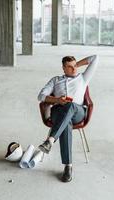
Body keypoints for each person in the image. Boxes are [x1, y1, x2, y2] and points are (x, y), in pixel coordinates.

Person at [37, 54, 98, 182]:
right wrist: (57, 100)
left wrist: (77, 64)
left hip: (78, 112)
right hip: (59, 111)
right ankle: (68, 166)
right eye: (70, 67)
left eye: (75, 66)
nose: (74, 69)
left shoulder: (83, 78)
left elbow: (95, 58)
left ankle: (50, 140)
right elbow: (41, 96)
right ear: (63, 68)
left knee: (70, 106)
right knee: (66, 122)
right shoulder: (55, 80)